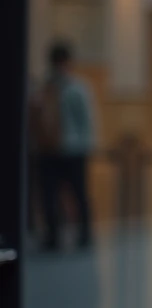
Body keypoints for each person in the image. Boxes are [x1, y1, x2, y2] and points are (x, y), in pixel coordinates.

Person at [30, 41, 96, 250]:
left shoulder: (75, 88)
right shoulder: (46, 87)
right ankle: (53, 235)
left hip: (71, 149)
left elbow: (85, 119)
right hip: (51, 149)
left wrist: (86, 145)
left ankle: (83, 233)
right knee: (50, 195)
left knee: (77, 193)